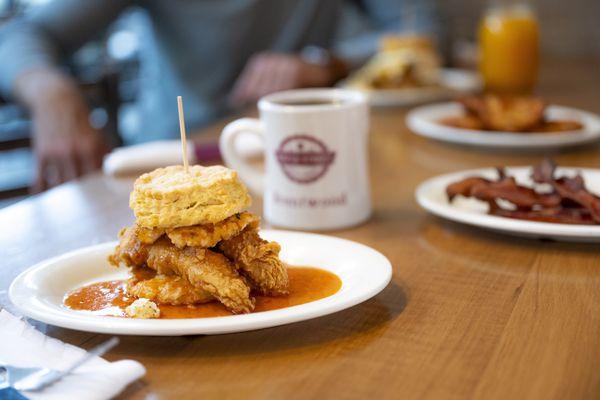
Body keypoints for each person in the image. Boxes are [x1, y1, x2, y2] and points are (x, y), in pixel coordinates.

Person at [0, 0, 436, 191]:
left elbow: (422, 29)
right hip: (170, 158)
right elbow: (18, 34)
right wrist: (50, 90)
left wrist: (325, 61)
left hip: (307, 153)